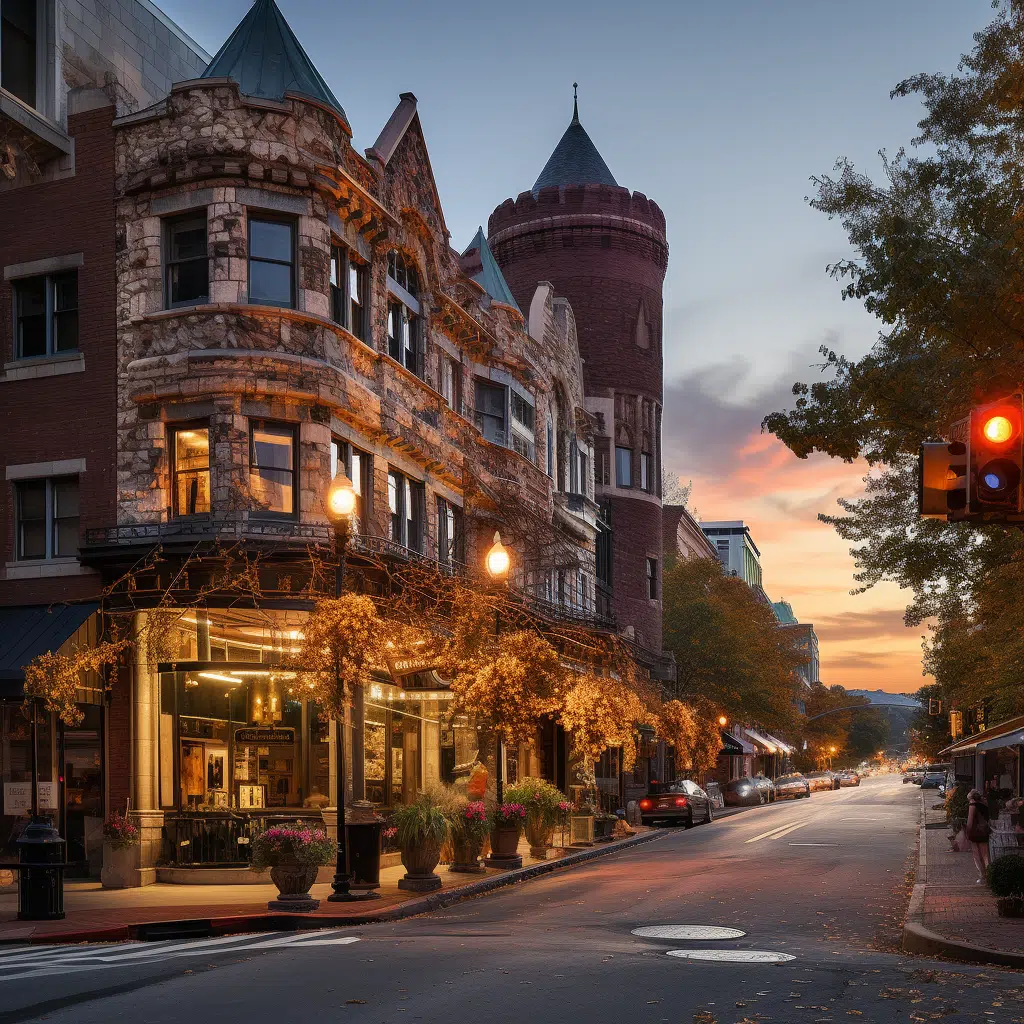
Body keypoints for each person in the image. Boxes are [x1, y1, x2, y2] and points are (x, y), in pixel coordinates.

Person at [967, 788, 992, 883]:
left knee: (977, 855)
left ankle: (982, 876)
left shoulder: (972, 806)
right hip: (985, 831)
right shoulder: (984, 805)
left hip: (975, 833)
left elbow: (970, 822)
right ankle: (989, 874)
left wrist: (967, 833)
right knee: (986, 855)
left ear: (971, 798)